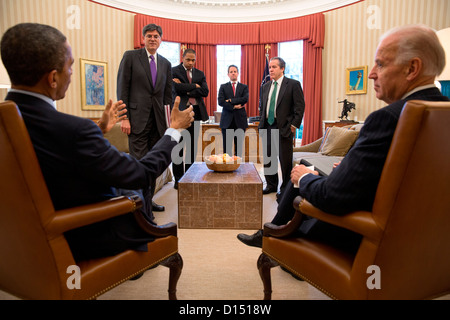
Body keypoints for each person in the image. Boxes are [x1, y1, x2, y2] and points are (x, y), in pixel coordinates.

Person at [238, 24, 448, 250]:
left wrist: (304, 178)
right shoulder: (441, 112)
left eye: (380, 63)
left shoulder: (386, 119)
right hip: (420, 236)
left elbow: (332, 196)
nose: (371, 73)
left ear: (412, 68)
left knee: (300, 172)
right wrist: (350, 167)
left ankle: (275, 233)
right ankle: (272, 229)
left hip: (357, 229)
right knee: (308, 165)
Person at [1, 23, 194, 261]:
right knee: (132, 180)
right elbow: (141, 174)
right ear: (53, 78)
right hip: (82, 237)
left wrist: (99, 129)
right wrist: (174, 131)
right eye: (70, 66)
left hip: (21, 245)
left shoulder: (10, 121)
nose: (71, 74)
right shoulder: (75, 130)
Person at [117, 23, 173, 214]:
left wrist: (168, 124)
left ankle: (148, 200)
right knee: (139, 163)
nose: (152, 39)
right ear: (143, 39)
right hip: (136, 121)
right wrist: (124, 118)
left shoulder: (166, 63)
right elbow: (122, 88)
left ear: (161, 39)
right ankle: (140, 205)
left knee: (153, 164)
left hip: (158, 123)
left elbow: (167, 97)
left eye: (156, 36)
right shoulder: (131, 57)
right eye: (149, 36)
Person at [258, 57, 305, 196]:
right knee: (269, 158)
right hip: (267, 126)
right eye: (270, 67)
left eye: (274, 67)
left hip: (284, 127)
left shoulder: (293, 84)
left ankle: (285, 188)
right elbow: (263, 107)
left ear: (282, 68)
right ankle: (271, 185)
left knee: (284, 160)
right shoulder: (265, 86)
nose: (271, 70)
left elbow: (300, 106)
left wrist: (294, 125)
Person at [171, 48, 209, 189]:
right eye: (188, 60)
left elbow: (205, 91)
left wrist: (184, 87)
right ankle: (178, 179)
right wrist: (194, 86)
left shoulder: (200, 73)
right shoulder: (173, 71)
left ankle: (189, 177)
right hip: (180, 113)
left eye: (193, 60)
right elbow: (174, 88)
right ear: (183, 58)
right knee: (178, 148)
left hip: (197, 113)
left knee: (192, 147)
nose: (191, 62)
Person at [218, 65, 249, 158]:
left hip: (240, 121)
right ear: (228, 74)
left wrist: (231, 100)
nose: (233, 73)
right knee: (226, 149)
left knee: (238, 149)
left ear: (238, 73)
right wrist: (234, 107)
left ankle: (238, 168)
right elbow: (221, 101)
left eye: (235, 71)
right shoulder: (223, 87)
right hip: (227, 121)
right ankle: (227, 168)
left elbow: (245, 99)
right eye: (231, 72)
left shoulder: (244, 87)